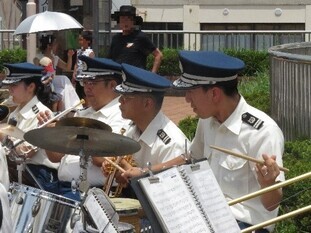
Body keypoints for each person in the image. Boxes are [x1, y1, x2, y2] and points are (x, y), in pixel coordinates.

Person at [123, 51, 285, 232]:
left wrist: (268, 183)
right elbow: (190, 158)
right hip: (205, 218)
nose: (186, 99)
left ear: (214, 94)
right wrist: (147, 171)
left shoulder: (262, 132)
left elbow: (271, 206)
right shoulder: (207, 120)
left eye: (191, 91)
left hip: (245, 225)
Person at [37, 56, 129, 200]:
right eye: (84, 82)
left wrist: (77, 135)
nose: (86, 88)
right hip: (64, 188)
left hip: (94, 194)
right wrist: (49, 134)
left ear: (112, 85)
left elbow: (105, 159)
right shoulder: (84, 113)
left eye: (92, 83)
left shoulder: (120, 115)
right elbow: (55, 157)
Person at [102, 63, 189, 190]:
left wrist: (136, 175)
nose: (120, 101)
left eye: (126, 97)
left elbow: (172, 190)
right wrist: (115, 168)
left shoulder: (171, 143)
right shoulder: (130, 128)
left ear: (147, 103)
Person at [0, 62, 60, 193]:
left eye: (14, 85)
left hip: (38, 176)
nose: (10, 90)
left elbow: (26, 152)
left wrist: (2, 136)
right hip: (17, 171)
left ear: (31, 87)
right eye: (9, 85)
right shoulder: (16, 112)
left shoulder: (42, 114)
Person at [109, 5, 163, 73]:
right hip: (118, 77)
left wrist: (152, 75)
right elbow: (110, 60)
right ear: (119, 21)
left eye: (129, 19)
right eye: (122, 18)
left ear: (133, 21)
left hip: (135, 79)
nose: (125, 22)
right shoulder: (115, 39)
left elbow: (158, 55)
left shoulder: (140, 37)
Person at [34, 34, 81, 112]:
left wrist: (70, 56)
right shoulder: (38, 58)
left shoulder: (55, 58)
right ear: (49, 46)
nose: (57, 46)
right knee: (64, 79)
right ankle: (74, 106)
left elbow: (67, 68)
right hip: (45, 83)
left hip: (53, 83)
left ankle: (73, 107)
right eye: (55, 44)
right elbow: (39, 73)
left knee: (64, 90)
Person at [72, 30, 95, 103]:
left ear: (87, 41)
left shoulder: (90, 52)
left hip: (85, 77)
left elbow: (91, 66)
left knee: (85, 94)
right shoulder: (79, 51)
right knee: (78, 93)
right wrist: (74, 72)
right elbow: (76, 63)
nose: (79, 42)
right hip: (78, 76)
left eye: (81, 40)